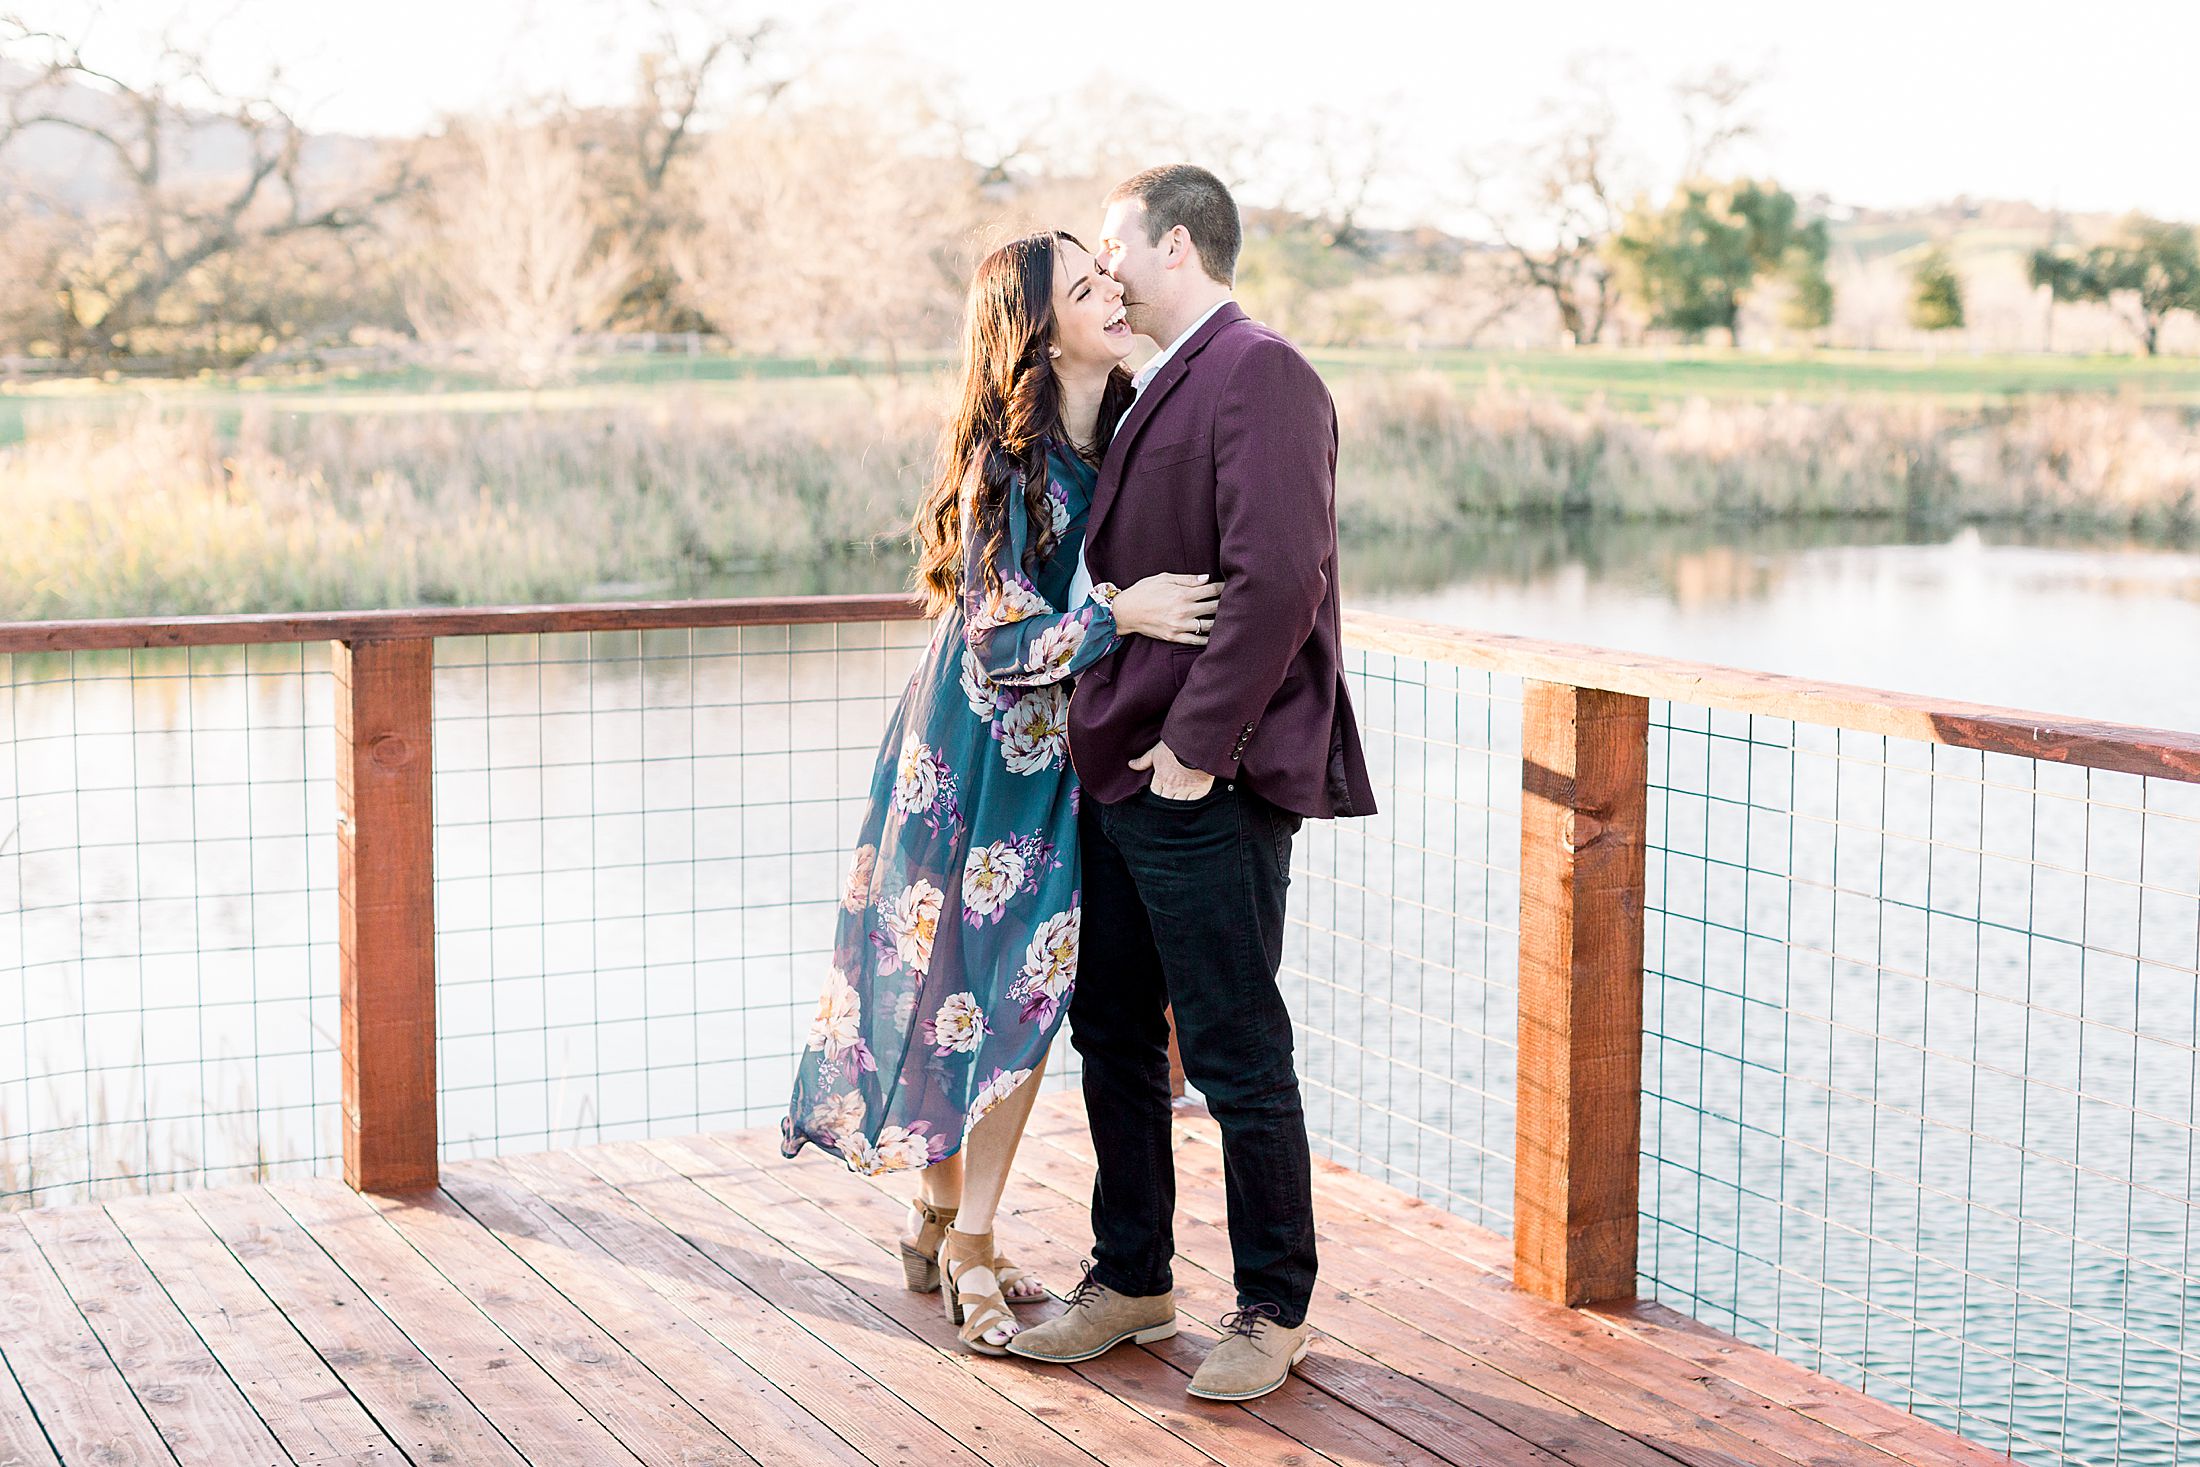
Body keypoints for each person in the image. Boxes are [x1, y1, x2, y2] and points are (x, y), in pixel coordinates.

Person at [778, 230, 1222, 1355]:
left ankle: (945, 1226)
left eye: (1107, 276)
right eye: (1085, 286)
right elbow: (998, 640)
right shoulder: (1006, 468)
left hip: (1053, 762)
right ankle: (963, 1236)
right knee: (961, 986)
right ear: (1040, 332)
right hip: (969, 756)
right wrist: (1123, 614)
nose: (1111, 292)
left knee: (1018, 992)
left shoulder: (1123, 433)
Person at [1007, 164, 1377, 1402]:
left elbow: (1280, 579)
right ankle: (1131, 1280)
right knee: (1111, 1034)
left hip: (1201, 781)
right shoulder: (1143, 384)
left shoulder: (1260, 371)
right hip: (1119, 772)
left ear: (1176, 245)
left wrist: (1198, 749)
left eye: (1115, 246)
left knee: (1234, 1049)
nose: (1104, 269)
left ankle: (1273, 1308)